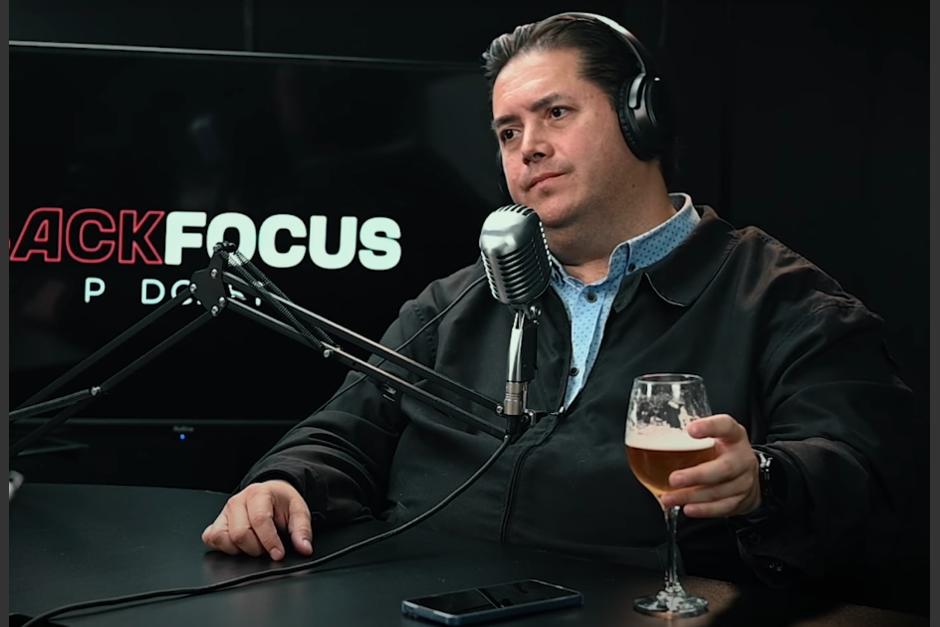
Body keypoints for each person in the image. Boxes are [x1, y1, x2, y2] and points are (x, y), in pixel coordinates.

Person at [202, 12, 914, 591]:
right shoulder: (453, 303)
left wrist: (763, 480)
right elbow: (340, 433)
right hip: (414, 608)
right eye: (508, 131)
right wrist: (283, 482)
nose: (529, 147)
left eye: (556, 113)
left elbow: (871, 487)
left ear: (642, 117)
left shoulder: (789, 303)